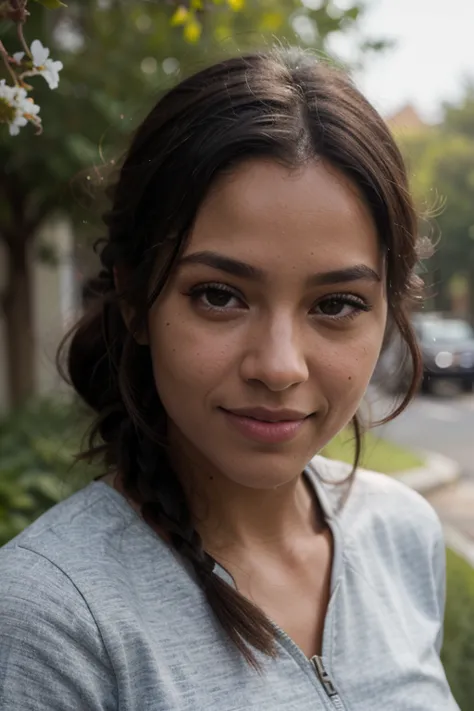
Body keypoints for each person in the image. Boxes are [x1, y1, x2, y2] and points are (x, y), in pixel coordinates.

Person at [0, 48, 459, 711]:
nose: (278, 365)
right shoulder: (51, 616)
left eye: (335, 305)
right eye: (219, 295)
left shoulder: (404, 535)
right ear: (134, 301)